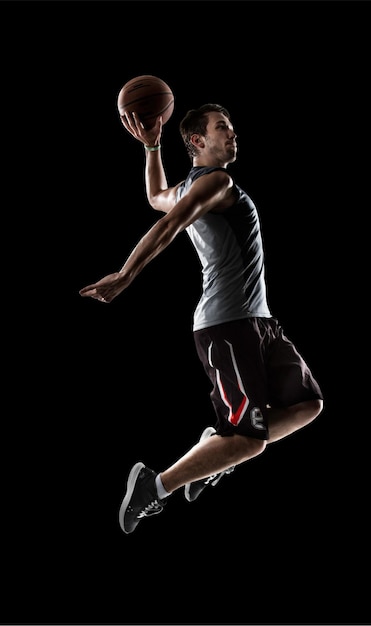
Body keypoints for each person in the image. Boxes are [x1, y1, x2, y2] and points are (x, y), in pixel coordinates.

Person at [79, 103, 324, 535]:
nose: (233, 134)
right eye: (222, 128)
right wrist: (125, 274)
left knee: (308, 404)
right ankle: (155, 486)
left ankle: (217, 452)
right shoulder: (217, 181)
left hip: (260, 321)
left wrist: (152, 146)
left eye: (230, 127)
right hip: (227, 327)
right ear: (197, 141)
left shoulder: (197, 185)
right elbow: (168, 222)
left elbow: (156, 197)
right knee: (250, 441)